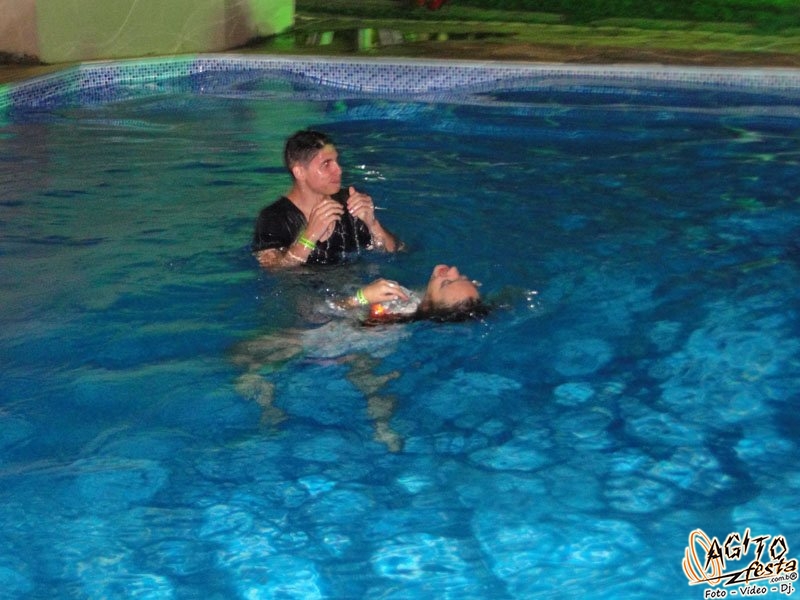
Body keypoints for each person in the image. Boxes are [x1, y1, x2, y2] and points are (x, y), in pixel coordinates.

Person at [231, 263, 487, 451]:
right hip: (366, 348)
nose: (453, 270)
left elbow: (323, 311)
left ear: (431, 305)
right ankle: (383, 429)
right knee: (371, 382)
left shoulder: (394, 313)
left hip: (323, 342)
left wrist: (361, 297)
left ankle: (266, 401)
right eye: (462, 276)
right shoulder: (423, 304)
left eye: (447, 282)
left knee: (240, 355)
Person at [252, 130, 401, 269]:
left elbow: (397, 251)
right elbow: (273, 269)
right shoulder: (273, 218)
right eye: (326, 164)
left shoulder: (350, 203)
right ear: (300, 172)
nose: (339, 170)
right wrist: (310, 236)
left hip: (352, 281)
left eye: (336, 161)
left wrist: (372, 224)